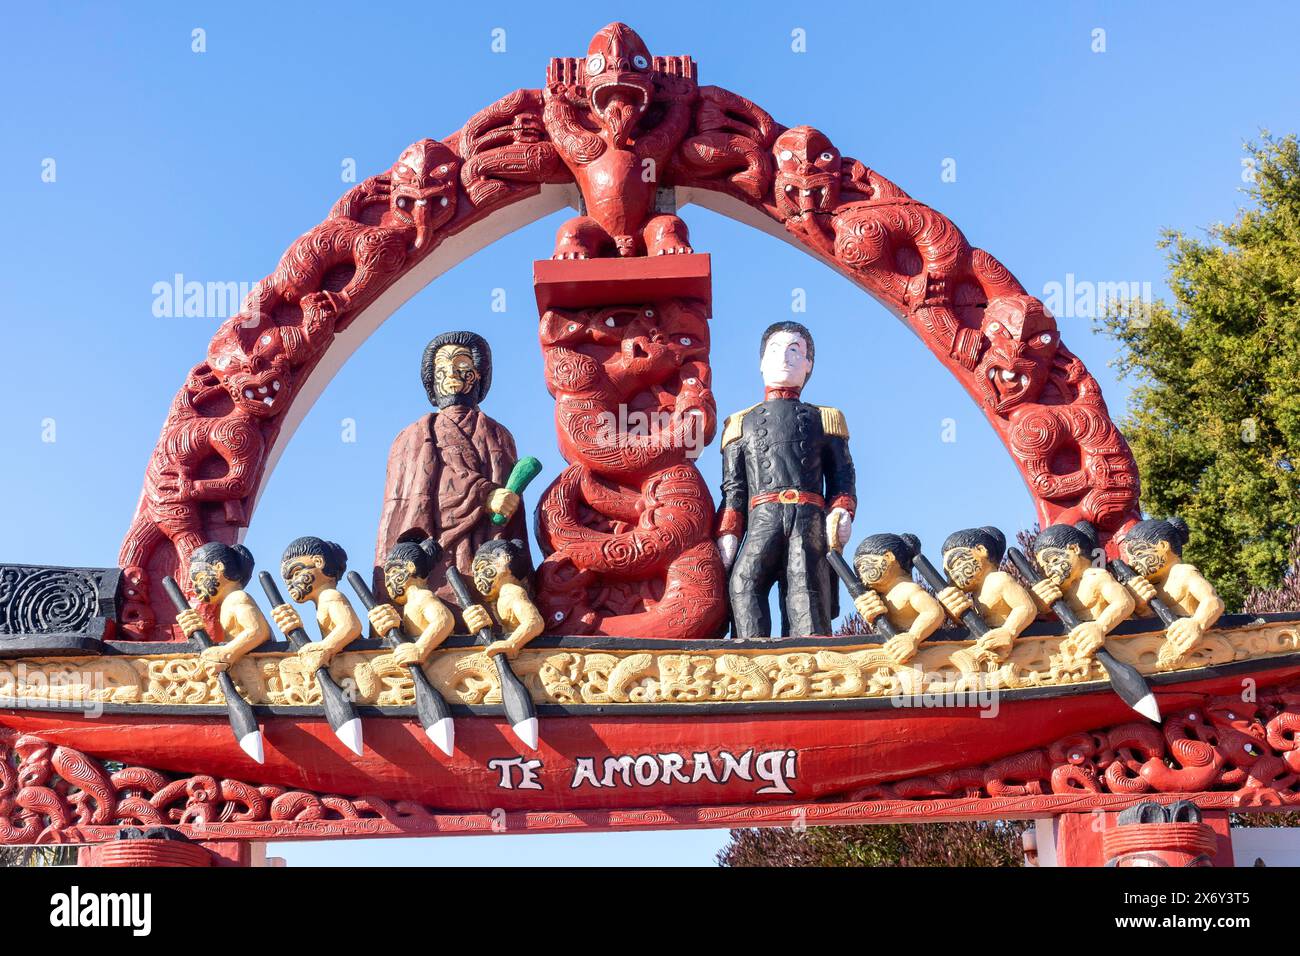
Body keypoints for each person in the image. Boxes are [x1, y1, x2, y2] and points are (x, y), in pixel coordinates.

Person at [374, 331, 530, 616]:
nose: (452, 375)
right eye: (442, 369)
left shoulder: (497, 434)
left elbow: (511, 510)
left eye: (462, 367)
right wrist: (484, 493)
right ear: (431, 379)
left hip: (484, 548)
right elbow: (409, 504)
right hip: (433, 555)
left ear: (479, 375)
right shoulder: (412, 436)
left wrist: (507, 502)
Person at [717, 321, 856, 637]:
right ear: (761, 362)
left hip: (807, 517)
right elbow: (734, 488)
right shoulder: (740, 423)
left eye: (796, 351)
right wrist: (729, 531)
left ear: (808, 366)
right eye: (775, 350)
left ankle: (809, 664)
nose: (784, 358)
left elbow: (842, 475)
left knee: (805, 589)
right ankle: (751, 659)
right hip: (762, 515)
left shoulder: (825, 418)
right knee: (742, 583)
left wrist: (841, 510)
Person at [1119, 517, 1224, 668]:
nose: (1132, 564)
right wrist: (1140, 606)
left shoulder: (1183, 572)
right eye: (1130, 559)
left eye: (1138, 554)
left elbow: (1213, 601)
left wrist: (1197, 623)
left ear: (1163, 546)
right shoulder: (1151, 584)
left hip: (1197, 648)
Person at [1028, 521, 1135, 667]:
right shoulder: (1063, 589)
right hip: (1077, 651)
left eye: (1053, 560)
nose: (1049, 571)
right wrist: (1037, 601)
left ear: (1074, 548)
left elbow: (1124, 602)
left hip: (1112, 644)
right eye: (1044, 568)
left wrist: (1100, 626)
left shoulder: (1096, 576)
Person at [934, 526, 1037, 669]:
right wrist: (954, 613)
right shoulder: (976, 595)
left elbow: (1025, 607)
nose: (952, 576)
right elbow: (974, 625)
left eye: (957, 564)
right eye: (948, 573)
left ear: (981, 550)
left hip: (1017, 646)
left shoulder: (998, 579)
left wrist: (1008, 630)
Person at [174, 542, 270, 673]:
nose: (196, 588)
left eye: (200, 578)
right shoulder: (228, 604)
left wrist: (227, 653)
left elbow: (258, 630)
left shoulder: (237, 597)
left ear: (219, 567)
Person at [850, 533, 945, 664]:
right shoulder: (880, 597)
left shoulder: (908, 589)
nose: (861, 574)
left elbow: (933, 612)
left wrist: (913, 637)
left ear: (889, 557)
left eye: (864, 565)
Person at [271, 536, 362, 672]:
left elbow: (351, 626)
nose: (291, 584)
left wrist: (325, 647)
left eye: (295, 573)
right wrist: (293, 629)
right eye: (287, 581)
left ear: (319, 562)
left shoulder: (330, 596)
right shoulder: (321, 603)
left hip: (354, 663)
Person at [367, 538, 456, 666]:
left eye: (392, 572)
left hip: (436, 661)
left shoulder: (422, 596)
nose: (387, 582)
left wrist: (420, 648)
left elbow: (443, 620)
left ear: (410, 567)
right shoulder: (409, 604)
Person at [461, 539, 545, 659]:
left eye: (481, 567)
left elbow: (534, 622)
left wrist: (512, 644)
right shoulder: (500, 598)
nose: (478, 578)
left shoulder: (512, 592)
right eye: (475, 574)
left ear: (504, 558)